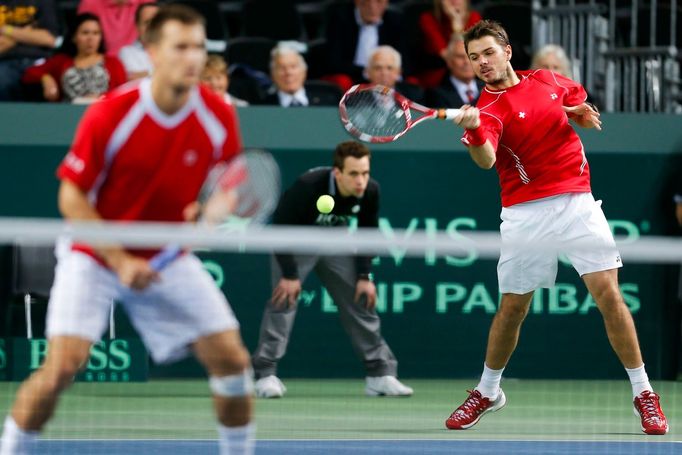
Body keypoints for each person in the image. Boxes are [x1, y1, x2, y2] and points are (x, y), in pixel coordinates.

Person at [0, 5, 254, 455]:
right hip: (95, 256)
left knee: (233, 361)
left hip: (169, 256)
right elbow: (71, 197)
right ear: (153, 52)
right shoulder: (112, 113)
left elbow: (228, 184)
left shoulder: (219, 115)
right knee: (62, 367)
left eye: (198, 46)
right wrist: (119, 260)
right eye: (180, 46)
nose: (193, 57)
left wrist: (212, 211)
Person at [445, 20, 668, 435]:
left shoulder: (547, 79)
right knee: (513, 309)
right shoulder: (488, 110)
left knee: (609, 295)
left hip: (577, 203)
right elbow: (487, 160)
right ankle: (488, 390)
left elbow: (565, 101)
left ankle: (644, 394)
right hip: (525, 214)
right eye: (474, 58)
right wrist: (475, 131)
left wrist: (575, 113)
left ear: (508, 51)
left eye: (488, 53)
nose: (482, 63)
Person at [252, 141, 413, 399]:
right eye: (353, 174)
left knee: (361, 300)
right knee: (283, 300)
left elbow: (366, 234)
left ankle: (379, 374)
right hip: (295, 240)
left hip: (335, 239)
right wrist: (290, 275)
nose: (360, 180)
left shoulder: (370, 191)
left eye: (365, 173)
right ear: (338, 173)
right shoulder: (308, 186)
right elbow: (280, 227)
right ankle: (265, 374)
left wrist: (364, 276)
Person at [22, 13, 126, 103]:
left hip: (102, 115)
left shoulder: (113, 63)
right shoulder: (61, 61)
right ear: (74, 37)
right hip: (68, 115)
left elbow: (123, 95)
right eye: (85, 33)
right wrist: (45, 77)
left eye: (96, 33)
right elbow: (29, 74)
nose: (91, 38)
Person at [325, 0, 407, 88]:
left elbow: (405, 60)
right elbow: (334, 61)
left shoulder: (395, 21)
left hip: (385, 74)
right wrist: (367, 72)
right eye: (366, 2)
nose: (372, 7)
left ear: (386, 3)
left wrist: (388, 72)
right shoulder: (340, 19)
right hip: (353, 75)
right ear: (357, 2)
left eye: (378, 2)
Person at [0, 0, 59, 100]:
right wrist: (27, 34)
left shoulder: (44, 2)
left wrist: (6, 30)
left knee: (50, 83)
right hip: (4, 62)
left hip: (40, 61)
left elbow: (50, 39)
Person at [417, 0, 482, 87]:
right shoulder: (428, 19)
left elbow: (476, 53)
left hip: (470, 73)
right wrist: (456, 28)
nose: (454, 0)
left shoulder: (474, 17)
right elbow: (448, 57)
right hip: (437, 79)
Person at [262, 44, 340, 107]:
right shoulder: (261, 106)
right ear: (272, 74)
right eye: (282, 68)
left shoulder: (328, 103)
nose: (288, 72)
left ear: (304, 71)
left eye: (293, 66)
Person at [78, 0, 154, 57]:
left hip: (140, 61)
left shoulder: (146, 2)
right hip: (103, 64)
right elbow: (82, 42)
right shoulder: (90, 3)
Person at [426, 36, 483, 108]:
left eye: (471, 56)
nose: (467, 62)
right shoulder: (436, 95)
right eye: (460, 56)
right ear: (449, 61)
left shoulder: (490, 88)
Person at [118, 1, 159, 80]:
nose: (151, 27)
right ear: (137, 26)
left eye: (155, 22)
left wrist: (146, 74)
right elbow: (133, 80)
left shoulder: (173, 50)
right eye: (147, 22)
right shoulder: (127, 52)